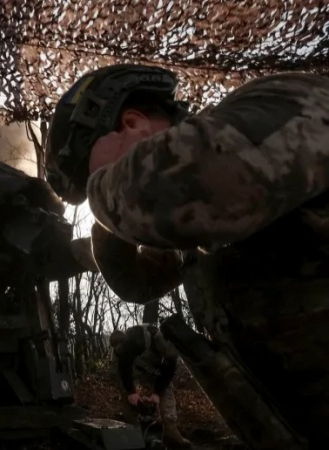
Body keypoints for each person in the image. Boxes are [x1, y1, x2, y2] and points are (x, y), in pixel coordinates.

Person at [44, 64, 329, 449]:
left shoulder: (279, 98)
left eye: (97, 177)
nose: (101, 192)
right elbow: (138, 283)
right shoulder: (188, 224)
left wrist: (104, 193)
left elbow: (201, 183)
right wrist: (108, 231)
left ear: (132, 123)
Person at [109, 324, 191, 448]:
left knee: (166, 393)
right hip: (128, 365)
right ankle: (135, 432)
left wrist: (156, 393)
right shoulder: (137, 338)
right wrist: (131, 392)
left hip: (150, 368)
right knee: (128, 396)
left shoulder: (172, 351)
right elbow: (124, 364)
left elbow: (167, 374)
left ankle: (170, 431)